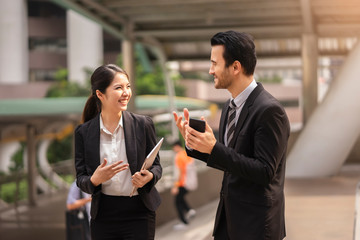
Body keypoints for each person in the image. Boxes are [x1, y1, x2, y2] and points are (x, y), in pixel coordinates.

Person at [173, 31, 290, 240]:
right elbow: (229, 160)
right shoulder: (229, 106)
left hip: (257, 227)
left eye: (214, 64)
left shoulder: (270, 111)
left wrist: (214, 148)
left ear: (235, 67)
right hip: (229, 223)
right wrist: (196, 145)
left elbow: (264, 171)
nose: (210, 71)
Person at [74, 64, 162, 240]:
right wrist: (94, 179)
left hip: (139, 212)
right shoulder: (84, 133)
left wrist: (149, 177)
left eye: (128, 86)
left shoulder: (143, 125)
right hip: (103, 215)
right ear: (100, 94)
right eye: (118, 88)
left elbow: (157, 167)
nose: (126, 92)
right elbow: (80, 179)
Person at [171, 141, 197, 230]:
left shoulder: (179, 157)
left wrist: (176, 186)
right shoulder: (186, 154)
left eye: (173, 147)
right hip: (189, 182)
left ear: (176, 146)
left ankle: (184, 222)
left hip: (182, 183)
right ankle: (190, 210)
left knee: (177, 202)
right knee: (180, 199)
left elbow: (180, 172)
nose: (173, 149)